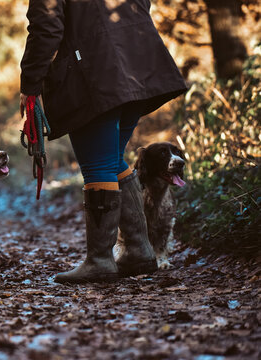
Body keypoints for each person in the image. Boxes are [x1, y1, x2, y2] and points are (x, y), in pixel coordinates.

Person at [20, 0, 187, 283]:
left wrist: (30, 84)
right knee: (110, 160)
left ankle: (99, 260)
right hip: (138, 62)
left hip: (95, 72)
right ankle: (139, 251)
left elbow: (46, 27)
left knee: (98, 165)